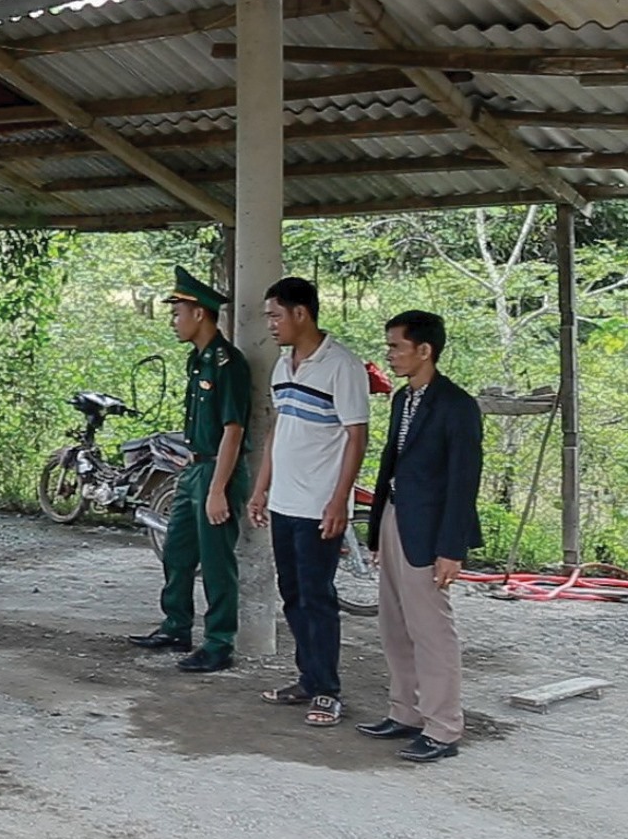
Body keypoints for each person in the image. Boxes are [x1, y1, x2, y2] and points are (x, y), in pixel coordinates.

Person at [358, 310, 483, 763]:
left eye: (396, 346)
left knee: (431, 630)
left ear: (424, 350)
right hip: (394, 518)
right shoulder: (402, 400)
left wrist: (452, 549)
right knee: (393, 624)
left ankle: (443, 727)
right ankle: (406, 712)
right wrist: (375, 533)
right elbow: (390, 465)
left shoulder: (456, 405)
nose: (389, 354)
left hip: (430, 531)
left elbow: (464, 481)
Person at [248, 277, 369, 727]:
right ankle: (307, 678)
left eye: (276, 315)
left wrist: (340, 500)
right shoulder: (283, 367)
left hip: (320, 504)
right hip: (284, 501)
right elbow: (278, 430)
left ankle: (328, 689)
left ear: (302, 314)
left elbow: (357, 438)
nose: (271, 325)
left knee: (319, 597)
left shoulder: (342, 366)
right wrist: (261, 488)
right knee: (292, 594)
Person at [128, 267, 251, 673]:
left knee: (216, 563)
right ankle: (176, 625)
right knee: (177, 550)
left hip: (219, 473)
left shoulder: (227, 363)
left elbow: (233, 431)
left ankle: (219, 642)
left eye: (177, 312)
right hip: (194, 470)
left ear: (200, 313)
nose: (173, 320)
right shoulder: (196, 362)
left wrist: (218, 490)